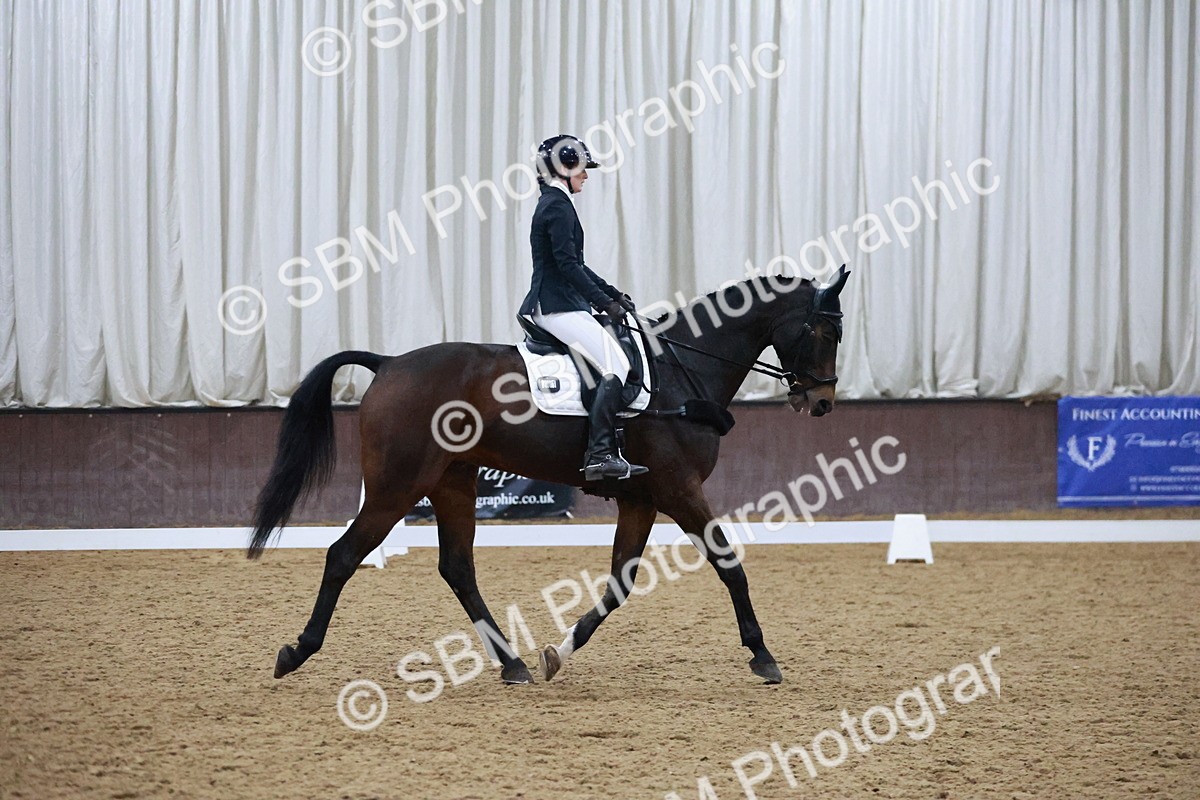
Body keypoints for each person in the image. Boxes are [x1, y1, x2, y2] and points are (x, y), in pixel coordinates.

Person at [518, 134, 648, 481]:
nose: (586, 177)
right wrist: (602, 302)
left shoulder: (555, 203)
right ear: (564, 170)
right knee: (617, 364)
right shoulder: (557, 207)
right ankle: (600, 455)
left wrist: (612, 294)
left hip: (563, 302)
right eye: (582, 170)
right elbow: (566, 266)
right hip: (557, 305)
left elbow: (577, 263)